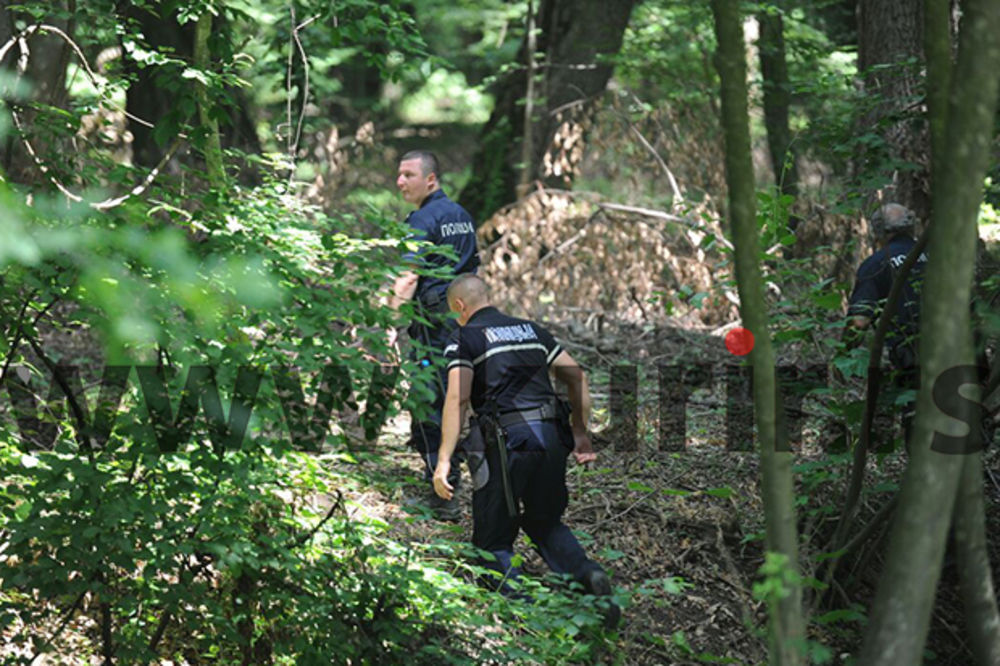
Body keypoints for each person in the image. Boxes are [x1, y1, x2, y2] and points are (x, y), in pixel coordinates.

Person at [431, 274, 620, 628]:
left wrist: (443, 460)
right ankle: (587, 576)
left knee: (491, 539)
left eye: (453, 311)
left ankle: (524, 619)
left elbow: (458, 398)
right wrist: (580, 435)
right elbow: (576, 376)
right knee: (544, 520)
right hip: (551, 435)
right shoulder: (530, 330)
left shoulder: (465, 337)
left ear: (460, 306)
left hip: (507, 441)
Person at [391, 150, 480, 520]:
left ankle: (444, 493)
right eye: (398, 174)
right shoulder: (461, 215)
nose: (400, 181)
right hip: (466, 317)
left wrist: (389, 321)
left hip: (434, 325)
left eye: (408, 174)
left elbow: (409, 276)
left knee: (432, 395)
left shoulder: (422, 219)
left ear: (431, 180)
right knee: (460, 395)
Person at [845, 202, 927, 446]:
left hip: (913, 357)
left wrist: (844, 355)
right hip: (961, 347)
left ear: (877, 232)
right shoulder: (941, 256)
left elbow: (859, 321)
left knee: (919, 421)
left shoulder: (875, 265)